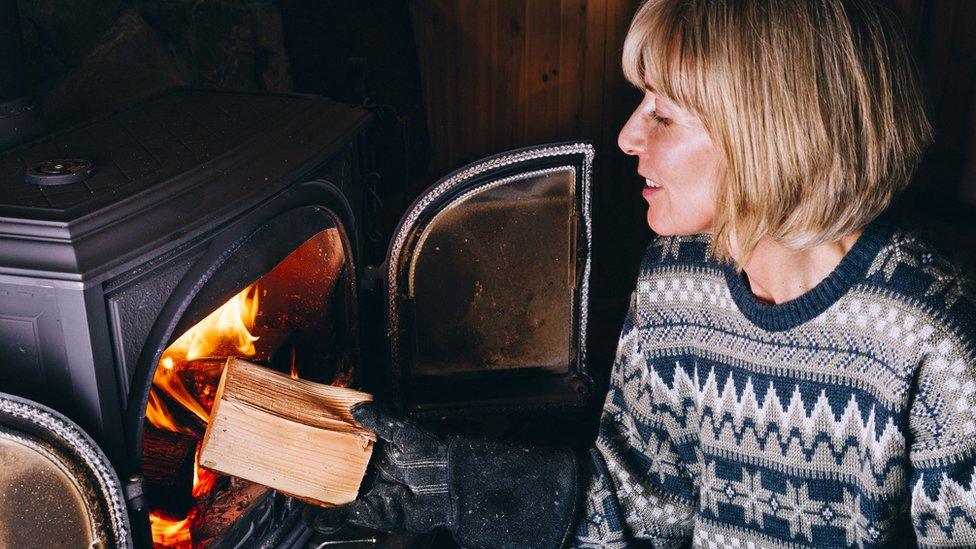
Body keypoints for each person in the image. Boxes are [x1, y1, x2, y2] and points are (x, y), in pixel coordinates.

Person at [308, 0, 976, 547]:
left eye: (661, 114)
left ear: (770, 135)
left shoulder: (932, 335)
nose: (628, 136)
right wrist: (455, 482)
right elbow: (631, 517)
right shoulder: (675, 281)